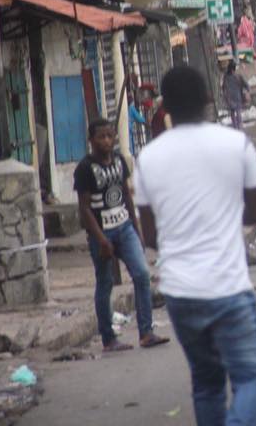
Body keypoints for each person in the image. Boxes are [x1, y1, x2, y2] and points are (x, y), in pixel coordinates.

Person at [134, 66, 256, 426]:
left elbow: (149, 236)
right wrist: (221, 217)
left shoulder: (147, 159)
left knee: (207, 383)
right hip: (228, 287)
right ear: (208, 99)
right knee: (250, 378)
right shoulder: (234, 143)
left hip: (180, 292)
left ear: (164, 107)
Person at [73, 119, 170, 353]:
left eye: (110, 136)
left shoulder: (119, 161)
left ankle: (146, 332)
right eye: (101, 137)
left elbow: (126, 194)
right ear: (91, 140)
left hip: (124, 227)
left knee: (142, 274)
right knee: (105, 283)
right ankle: (108, 339)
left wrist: (137, 230)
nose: (107, 141)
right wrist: (101, 240)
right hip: (102, 232)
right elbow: (85, 208)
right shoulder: (85, 168)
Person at [221, 60, 250, 130]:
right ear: (234, 68)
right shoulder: (238, 76)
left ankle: (234, 125)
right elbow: (246, 85)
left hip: (229, 97)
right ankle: (239, 126)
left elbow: (223, 87)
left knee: (232, 112)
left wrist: (224, 95)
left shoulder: (226, 76)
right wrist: (247, 91)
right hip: (237, 96)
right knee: (238, 111)